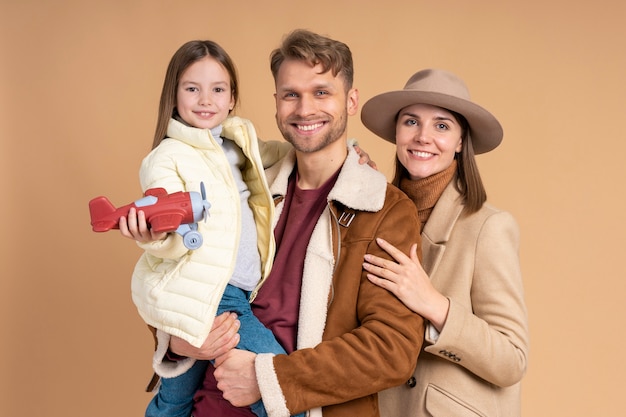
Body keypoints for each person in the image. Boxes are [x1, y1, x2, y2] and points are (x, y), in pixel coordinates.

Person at [173, 29, 426, 417]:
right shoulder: (244, 184)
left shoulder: (384, 210)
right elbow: (183, 279)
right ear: (276, 104)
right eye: (291, 94)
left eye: (322, 92)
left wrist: (270, 377)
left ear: (351, 101)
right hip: (204, 406)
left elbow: (390, 348)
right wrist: (178, 343)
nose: (305, 109)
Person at [119, 39, 301, 417]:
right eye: (192, 89)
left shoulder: (239, 141)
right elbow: (169, 217)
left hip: (236, 291)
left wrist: (348, 150)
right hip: (213, 296)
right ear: (174, 95)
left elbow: (289, 153)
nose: (206, 100)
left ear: (232, 97)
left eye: (217, 89)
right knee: (282, 392)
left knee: (178, 399)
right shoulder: (166, 157)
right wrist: (157, 237)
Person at [360, 68, 530, 417]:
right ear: (396, 132)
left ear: (460, 142)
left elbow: (512, 359)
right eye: (411, 122)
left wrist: (436, 306)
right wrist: (354, 187)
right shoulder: (373, 213)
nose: (423, 137)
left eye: (441, 126)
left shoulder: (489, 226)